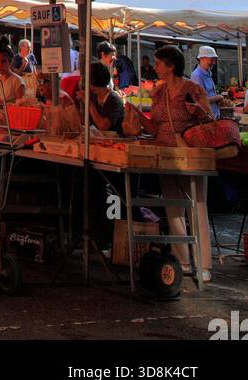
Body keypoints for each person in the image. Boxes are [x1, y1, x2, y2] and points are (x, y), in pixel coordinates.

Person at [141, 45, 214, 279]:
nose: (155, 66)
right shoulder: (158, 92)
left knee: (197, 205)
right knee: (173, 207)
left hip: (190, 152)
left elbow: (209, 119)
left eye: (158, 63)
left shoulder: (192, 88)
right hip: (165, 153)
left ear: (171, 66)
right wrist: (139, 117)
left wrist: (197, 109)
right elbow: (154, 126)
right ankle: (182, 259)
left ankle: (203, 265)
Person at [0, 38, 26, 117]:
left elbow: (21, 108)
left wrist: (1, 104)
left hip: (11, 123)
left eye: (3, 61)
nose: (0, 65)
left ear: (10, 61)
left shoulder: (17, 81)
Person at [88, 60, 125, 134]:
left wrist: (88, 103)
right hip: (99, 140)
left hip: (116, 142)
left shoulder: (114, 99)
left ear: (93, 81)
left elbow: (103, 126)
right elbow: (85, 120)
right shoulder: (93, 96)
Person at [190, 46, 224, 121]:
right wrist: (219, 97)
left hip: (213, 115)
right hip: (206, 118)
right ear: (202, 58)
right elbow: (200, 101)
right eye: (211, 60)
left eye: (214, 60)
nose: (214, 63)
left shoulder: (208, 73)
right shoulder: (197, 76)